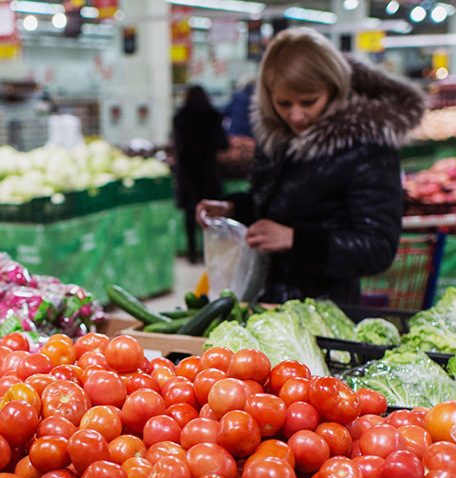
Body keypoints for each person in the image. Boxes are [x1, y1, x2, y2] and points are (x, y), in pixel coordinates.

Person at [195, 28, 425, 306]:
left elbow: (378, 248)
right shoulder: (277, 136)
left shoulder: (367, 147)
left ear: (333, 88)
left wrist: (296, 240)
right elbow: (281, 204)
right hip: (268, 303)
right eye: (283, 103)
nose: (296, 115)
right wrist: (233, 209)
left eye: (308, 102)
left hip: (327, 313)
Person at [173, 85, 230, 264]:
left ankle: (191, 253)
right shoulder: (212, 116)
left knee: (191, 214)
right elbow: (223, 143)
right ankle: (211, 253)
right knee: (212, 214)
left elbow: (178, 146)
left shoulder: (180, 117)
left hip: (188, 172)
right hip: (208, 172)